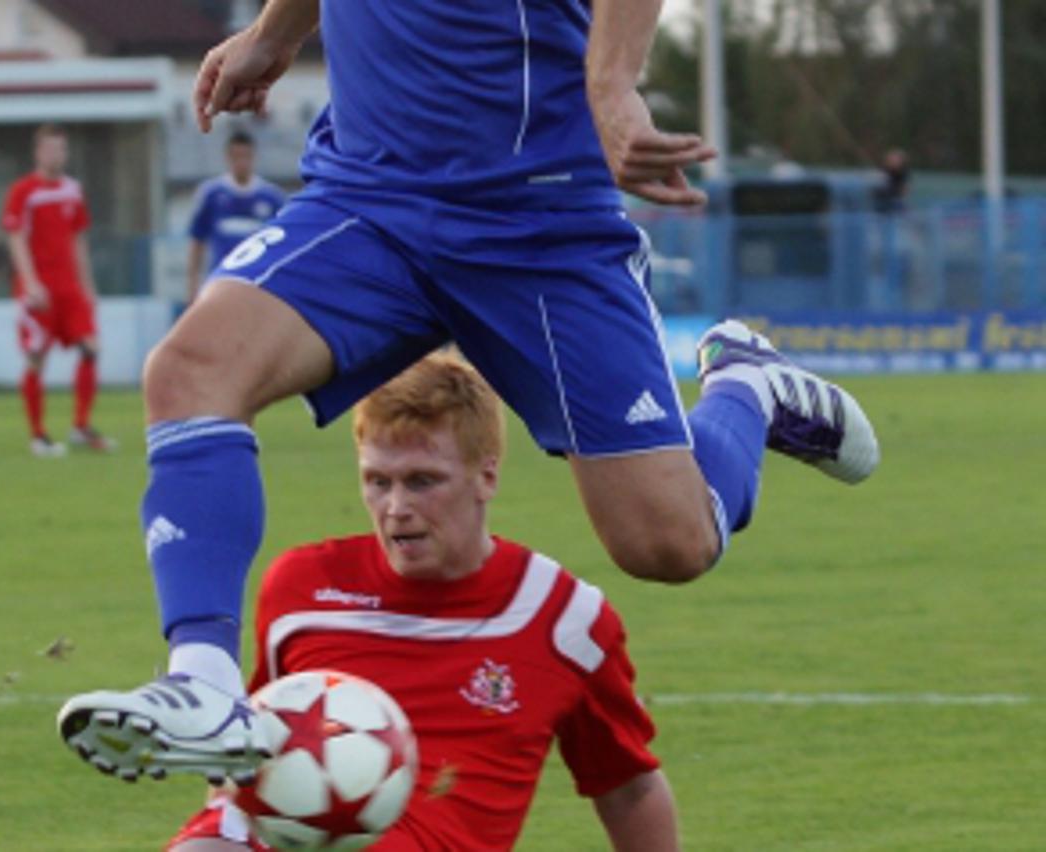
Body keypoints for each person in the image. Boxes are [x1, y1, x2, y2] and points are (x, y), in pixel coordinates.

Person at [57, 0, 881, 781]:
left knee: (666, 545)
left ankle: (744, 387)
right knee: (191, 370)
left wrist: (613, 84)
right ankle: (205, 686)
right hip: (370, 197)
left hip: (538, 220)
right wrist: (275, 36)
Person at [130, 355, 683, 850]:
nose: (395, 508)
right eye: (378, 481)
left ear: (485, 475)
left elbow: (627, 790)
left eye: (422, 482)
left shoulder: (564, 620)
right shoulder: (300, 588)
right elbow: (249, 754)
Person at [2, 123, 115, 457]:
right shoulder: (24, 191)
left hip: (70, 288)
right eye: (50, 149)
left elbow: (78, 239)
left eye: (61, 149)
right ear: (38, 152)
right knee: (37, 358)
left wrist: (88, 286)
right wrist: (31, 283)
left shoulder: (72, 190)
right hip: (38, 290)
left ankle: (81, 426)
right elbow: (16, 238)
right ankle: (38, 435)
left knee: (91, 348)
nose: (57, 155)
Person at [185, 131, 287, 303]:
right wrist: (192, 287)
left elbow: (282, 247)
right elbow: (197, 242)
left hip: (259, 285)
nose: (241, 162)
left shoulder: (271, 198)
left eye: (246, 156)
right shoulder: (212, 195)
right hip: (220, 282)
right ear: (228, 158)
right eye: (236, 156)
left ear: (253, 157)